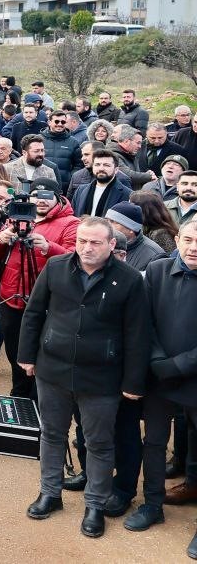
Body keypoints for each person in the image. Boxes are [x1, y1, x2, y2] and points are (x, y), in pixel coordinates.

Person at [19, 216, 150, 539]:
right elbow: (34, 313)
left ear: (112, 244)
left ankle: (95, 504)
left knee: (99, 443)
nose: (86, 248)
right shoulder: (56, 267)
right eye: (81, 241)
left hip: (101, 378)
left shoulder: (130, 280)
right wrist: (27, 355)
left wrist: (133, 382)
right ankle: (50, 493)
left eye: (94, 242)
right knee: (52, 434)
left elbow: (138, 335)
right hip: (53, 370)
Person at [132, 221, 197, 551]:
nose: (194, 247)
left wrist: (177, 365)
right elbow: (144, 320)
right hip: (159, 377)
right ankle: (152, 504)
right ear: (176, 239)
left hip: (192, 377)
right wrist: (158, 361)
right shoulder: (156, 271)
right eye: (188, 239)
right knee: (154, 442)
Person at [0, 179, 78, 400]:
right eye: (36, 195)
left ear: (58, 197)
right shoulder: (17, 216)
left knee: (41, 354)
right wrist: (0, 238)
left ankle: (38, 399)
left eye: (47, 196)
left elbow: (76, 258)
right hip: (11, 298)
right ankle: (19, 393)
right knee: (14, 352)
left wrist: (48, 247)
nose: (41, 201)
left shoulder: (71, 223)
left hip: (46, 302)